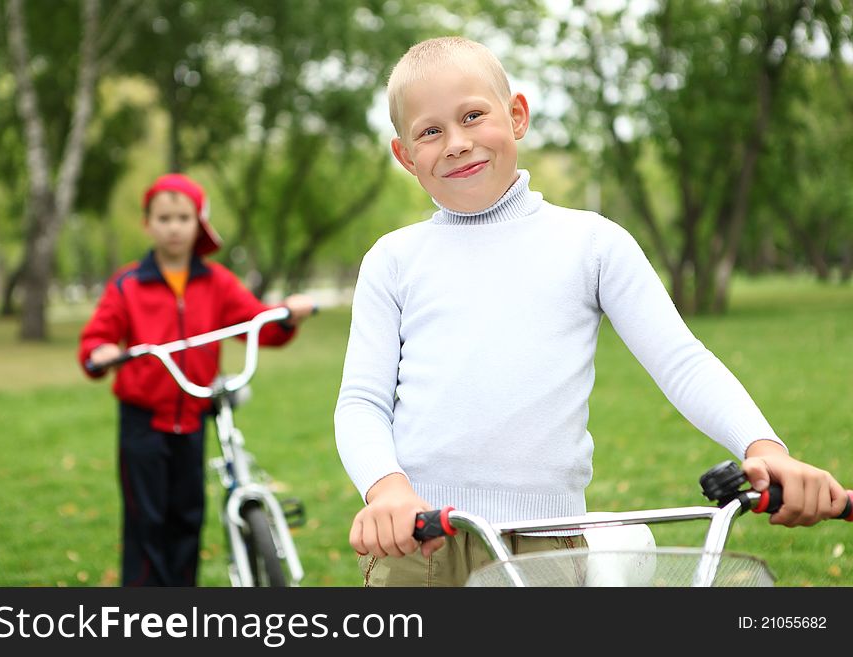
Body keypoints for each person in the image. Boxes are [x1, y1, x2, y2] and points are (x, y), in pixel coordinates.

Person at [334, 36, 849, 587]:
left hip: (549, 541)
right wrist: (386, 488)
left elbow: (682, 361)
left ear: (516, 116)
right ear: (405, 155)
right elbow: (362, 401)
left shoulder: (591, 244)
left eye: (473, 116)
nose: (456, 143)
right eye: (430, 131)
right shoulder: (393, 260)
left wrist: (765, 448)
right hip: (422, 538)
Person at [79, 173, 316, 586]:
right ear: (148, 223)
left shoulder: (216, 282)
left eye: (183, 217)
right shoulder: (129, 284)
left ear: (198, 224)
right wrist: (101, 353)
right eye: (164, 217)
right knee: (147, 522)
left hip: (192, 417)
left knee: (188, 519)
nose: (174, 227)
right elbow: (98, 338)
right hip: (143, 423)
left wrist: (285, 315)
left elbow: (255, 322)